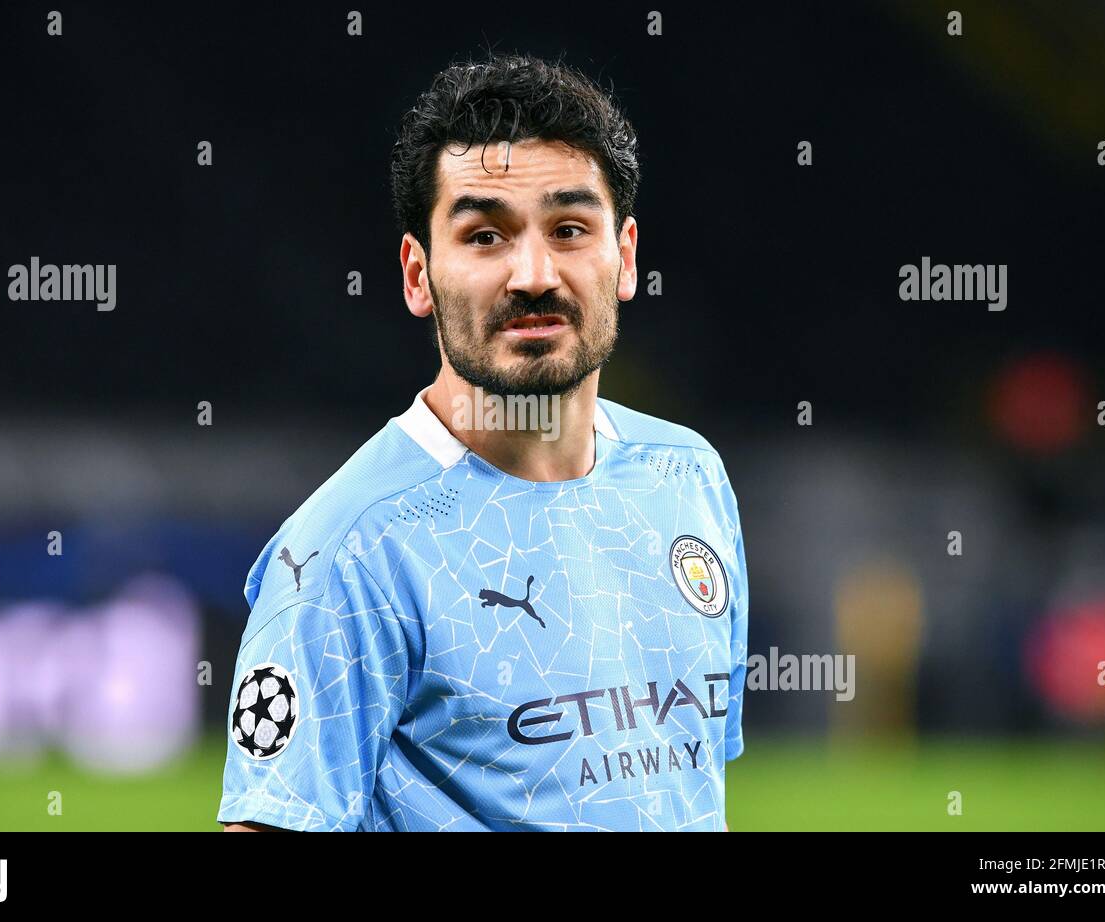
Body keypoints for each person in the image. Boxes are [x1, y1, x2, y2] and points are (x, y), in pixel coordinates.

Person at [220, 52, 747, 831]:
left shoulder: (688, 479)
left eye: (570, 228)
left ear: (625, 256)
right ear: (417, 274)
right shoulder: (348, 554)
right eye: (485, 235)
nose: (533, 274)